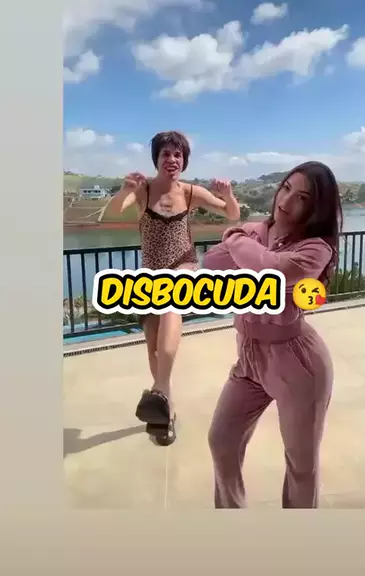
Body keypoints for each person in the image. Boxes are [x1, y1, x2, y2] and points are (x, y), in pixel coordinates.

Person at [202, 161, 342, 508]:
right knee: (222, 440)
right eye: (287, 188)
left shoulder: (316, 248)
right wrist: (248, 247)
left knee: (301, 465)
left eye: (302, 197)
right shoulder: (258, 232)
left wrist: (236, 237)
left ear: (316, 208)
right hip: (249, 359)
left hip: (297, 364)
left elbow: (272, 269)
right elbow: (213, 263)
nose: (287, 200)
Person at [109, 131, 240, 446]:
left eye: (178, 154)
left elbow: (231, 214)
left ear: (185, 160)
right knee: (153, 347)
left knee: (170, 304)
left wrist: (228, 194)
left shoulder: (191, 192)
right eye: (165, 154)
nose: (172, 159)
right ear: (156, 159)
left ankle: (159, 392)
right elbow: (111, 214)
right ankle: (164, 406)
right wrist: (125, 190)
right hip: (150, 276)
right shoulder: (143, 190)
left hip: (183, 267)